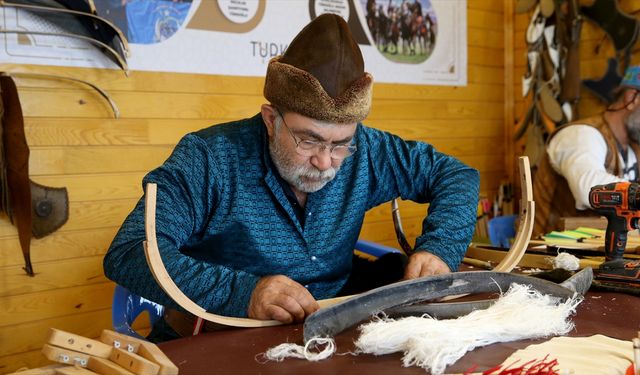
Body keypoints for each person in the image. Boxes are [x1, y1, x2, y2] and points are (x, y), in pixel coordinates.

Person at [103, 14, 479, 341]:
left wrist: (439, 248)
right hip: (217, 340)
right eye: (308, 139)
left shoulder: (367, 150)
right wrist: (244, 293)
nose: (324, 161)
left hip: (331, 337)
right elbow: (129, 251)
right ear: (271, 120)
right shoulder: (209, 158)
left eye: (340, 144)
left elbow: (456, 175)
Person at [533, 65, 640, 236]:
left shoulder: (632, 147)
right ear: (632, 98)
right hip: (551, 254)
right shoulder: (581, 135)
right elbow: (587, 190)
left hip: (599, 253)